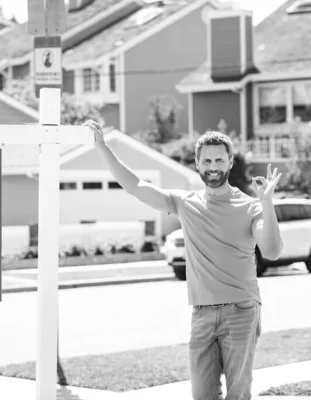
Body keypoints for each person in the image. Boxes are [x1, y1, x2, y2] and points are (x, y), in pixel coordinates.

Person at [83, 120, 283, 400]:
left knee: (238, 395)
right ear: (198, 164)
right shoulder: (184, 202)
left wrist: (267, 202)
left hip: (241, 311)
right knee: (202, 395)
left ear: (230, 162)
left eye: (219, 159)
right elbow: (136, 186)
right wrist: (102, 147)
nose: (213, 166)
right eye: (207, 160)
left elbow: (272, 250)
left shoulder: (250, 207)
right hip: (201, 314)